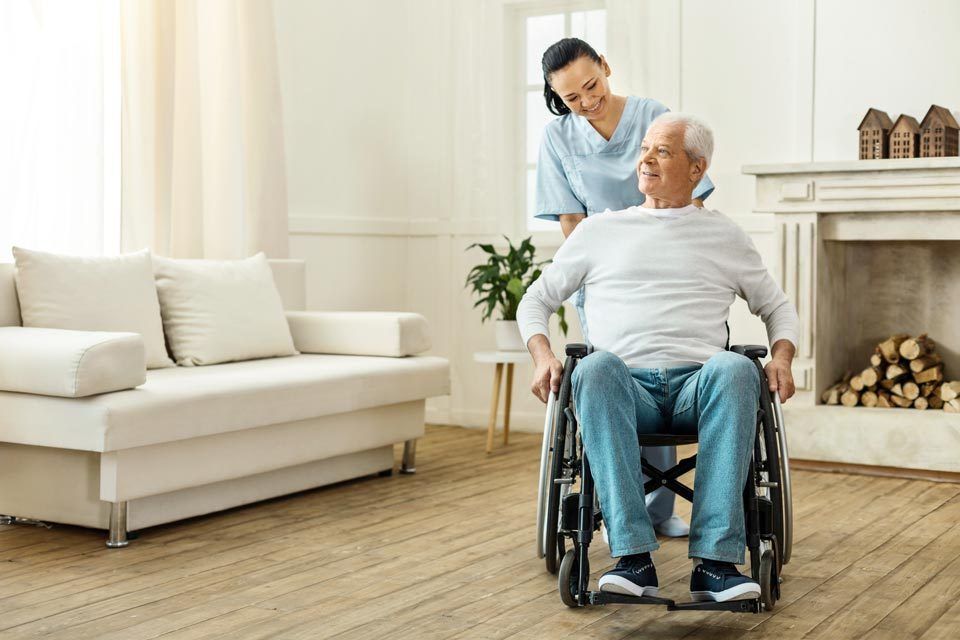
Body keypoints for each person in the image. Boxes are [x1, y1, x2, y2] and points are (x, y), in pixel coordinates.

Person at [518, 113, 800, 602]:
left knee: (736, 368)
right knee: (595, 366)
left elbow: (777, 308)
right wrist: (542, 355)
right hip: (623, 384)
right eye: (644, 149)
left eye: (662, 151)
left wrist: (781, 357)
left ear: (697, 168)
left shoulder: (725, 235)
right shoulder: (599, 231)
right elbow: (535, 301)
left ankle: (715, 566)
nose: (645, 158)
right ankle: (632, 561)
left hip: (700, 387)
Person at [535, 38, 715, 537]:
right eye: (572, 98)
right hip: (604, 275)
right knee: (619, 376)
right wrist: (599, 264)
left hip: (669, 266)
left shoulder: (653, 117)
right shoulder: (557, 137)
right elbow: (571, 218)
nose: (586, 100)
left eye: (591, 85)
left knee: (667, 366)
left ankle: (661, 508)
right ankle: (623, 504)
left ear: (606, 68)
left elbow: (691, 198)